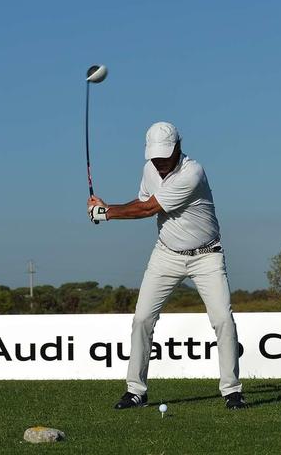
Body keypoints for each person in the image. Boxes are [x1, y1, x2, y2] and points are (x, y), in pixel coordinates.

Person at [87, 121, 245, 410]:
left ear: (178, 148)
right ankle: (136, 391)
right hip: (166, 254)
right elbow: (144, 199)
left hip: (206, 256)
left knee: (222, 319)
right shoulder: (150, 169)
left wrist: (105, 213)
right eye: (155, 157)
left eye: (164, 157)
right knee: (142, 319)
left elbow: (149, 209)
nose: (159, 163)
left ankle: (232, 391)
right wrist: (108, 207)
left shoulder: (192, 172)